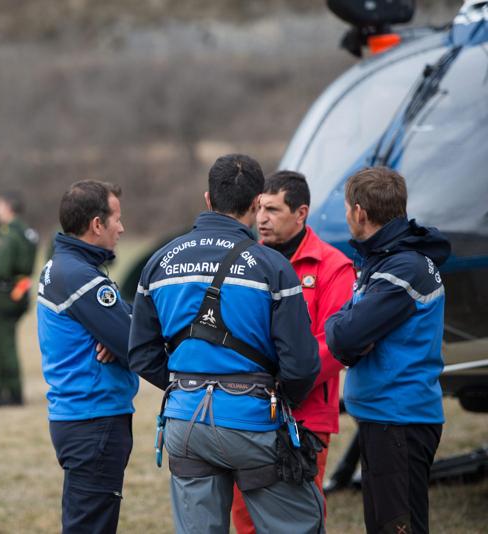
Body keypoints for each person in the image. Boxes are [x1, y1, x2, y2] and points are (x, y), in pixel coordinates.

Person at [129, 154, 324, 534]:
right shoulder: (272, 266)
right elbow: (301, 364)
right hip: (253, 419)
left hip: (184, 423)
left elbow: (141, 353)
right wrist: (280, 397)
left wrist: (185, 386)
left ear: (208, 199)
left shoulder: (159, 262)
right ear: (256, 203)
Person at [326, 166, 450, 534]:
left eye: (346, 208)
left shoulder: (402, 269)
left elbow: (344, 336)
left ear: (359, 212)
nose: (346, 216)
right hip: (386, 419)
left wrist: (345, 328)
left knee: (398, 527)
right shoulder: (384, 262)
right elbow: (349, 331)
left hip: (398, 422)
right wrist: (348, 328)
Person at [231, 170, 355, 533]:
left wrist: (281, 379)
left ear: (301, 213)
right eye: (259, 208)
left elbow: (335, 343)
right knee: (246, 514)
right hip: (246, 410)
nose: (261, 218)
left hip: (306, 415)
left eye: (272, 209)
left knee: (300, 517)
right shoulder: (244, 261)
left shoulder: (333, 267)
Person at [37, 180, 139, 533]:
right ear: (97, 224)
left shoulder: (63, 266)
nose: (121, 228)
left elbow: (123, 326)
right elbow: (133, 343)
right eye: (117, 219)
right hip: (95, 419)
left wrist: (114, 328)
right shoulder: (81, 277)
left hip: (78, 417)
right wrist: (119, 334)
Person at [0, 192, 38, 406]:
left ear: (8, 208)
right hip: (20, 291)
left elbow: (1, 268)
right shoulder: (27, 232)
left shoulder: (9, 235)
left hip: (6, 294)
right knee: (4, 342)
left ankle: (11, 392)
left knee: (3, 344)